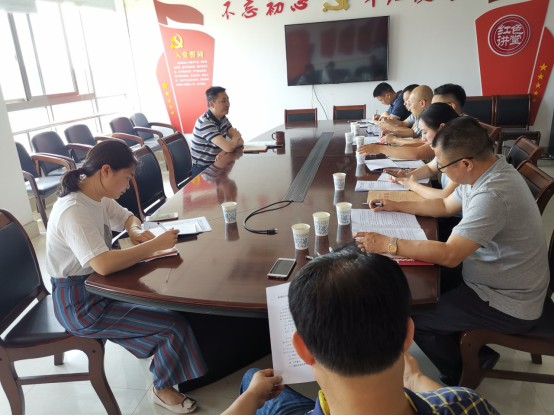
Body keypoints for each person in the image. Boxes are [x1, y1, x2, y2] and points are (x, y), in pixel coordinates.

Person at [355, 117, 549, 386]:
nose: (440, 171)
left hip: (506, 299)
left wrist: (389, 243)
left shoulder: (493, 194)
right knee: (414, 282)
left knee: (414, 319)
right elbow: (445, 206)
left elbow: (450, 255)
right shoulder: (485, 169)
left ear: (466, 163)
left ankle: (467, 368)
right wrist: (396, 205)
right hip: (491, 274)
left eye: (443, 166)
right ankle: (471, 350)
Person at [224, 246, 499, 415]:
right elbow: (445, 399)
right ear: (408, 335)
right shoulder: (468, 405)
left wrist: (251, 397)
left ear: (303, 349)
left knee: (252, 379)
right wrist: (415, 379)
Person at [46, 139, 207, 414]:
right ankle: (162, 388)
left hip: (99, 288)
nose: (129, 184)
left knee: (166, 301)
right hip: (80, 305)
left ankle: (157, 351)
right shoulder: (74, 210)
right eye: (128, 176)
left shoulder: (94, 195)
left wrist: (134, 230)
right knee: (173, 324)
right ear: (106, 171)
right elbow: (103, 264)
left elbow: (127, 217)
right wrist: (154, 245)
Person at [191, 86, 244, 177]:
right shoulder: (205, 122)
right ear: (212, 104)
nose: (228, 104)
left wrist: (224, 151)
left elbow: (240, 142)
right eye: (223, 101)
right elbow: (232, 143)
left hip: (217, 164)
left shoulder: (223, 118)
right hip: (203, 171)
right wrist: (235, 138)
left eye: (228, 100)